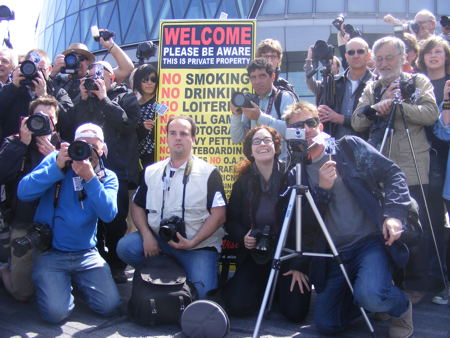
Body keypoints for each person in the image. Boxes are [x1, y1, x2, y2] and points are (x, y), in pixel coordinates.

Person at [284, 101, 413, 337]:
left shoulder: (347, 148)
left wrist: (393, 215)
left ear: (320, 125)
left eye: (310, 123)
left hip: (368, 243)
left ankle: (399, 306)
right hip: (334, 254)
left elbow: (393, 174)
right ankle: (372, 294)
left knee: (371, 296)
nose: (307, 129)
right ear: (291, 135)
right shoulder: (296, 173)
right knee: (327, 325)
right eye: (298, 127)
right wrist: (323, 190)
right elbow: (307, 228)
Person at [352, 36, 439, 298]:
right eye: (379, 59)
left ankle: (416, 285)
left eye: (389, 57)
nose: (384, 63)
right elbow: (357, 122)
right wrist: (376, 108)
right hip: (380, 169)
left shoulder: (418, 82)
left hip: (413, 165)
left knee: (416, 228)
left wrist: (400, 106)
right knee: (385, 227)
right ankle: (390, 281)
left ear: (403, 58)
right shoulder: (371, 87)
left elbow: (430, 113)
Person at [16, 123, 121, 323]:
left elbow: (109, 214)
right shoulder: (55, 161)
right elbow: (24, 192)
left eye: (93, 147)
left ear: (102, 150)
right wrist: (56, 168)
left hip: (86, 254)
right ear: (72, 145)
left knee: (110, 306)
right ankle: (61, 286)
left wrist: (90, 178)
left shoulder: (108, 177)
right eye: (82, 145)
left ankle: (72, 283)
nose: (87, 152)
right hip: (51, 253)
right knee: (56, 314)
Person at [117, 116, 226, 299]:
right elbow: (137, 206)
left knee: (203, 294)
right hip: (159, 243)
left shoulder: (209, 173)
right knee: (125, 247)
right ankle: (158, 269)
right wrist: (146, 236)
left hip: (196, 247)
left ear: (193, 139)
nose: (178, 138)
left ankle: (177, 271)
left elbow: (219, 215)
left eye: (184, 134)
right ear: (166, 137)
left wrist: (192, 242)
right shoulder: (151, 172)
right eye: (173, 133)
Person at [222, 125, 311, 322]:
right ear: (250, 150)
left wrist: (299, 264)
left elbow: (307, 223)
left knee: (295, 313)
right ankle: (264, 288)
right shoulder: (242, 183)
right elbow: (231, 219)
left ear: (276, 146)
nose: (262, 144)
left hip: (287, 255)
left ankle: (277, 289)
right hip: (256, 255)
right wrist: (243, 237)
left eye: (267, 140)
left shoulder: (292, 177)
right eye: (257, 141)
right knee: (237, 306)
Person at [73, 60, 140, 283]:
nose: (96, 80)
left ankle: (116, 265)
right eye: (91, 76)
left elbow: (129, 124)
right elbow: (73, 127)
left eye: (101, 75)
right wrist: (83, 99)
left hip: (117, 170)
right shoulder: (83, 100)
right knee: (89, 215)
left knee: (116, 220)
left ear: (112, 78)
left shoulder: (127, 97)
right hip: (85, 168)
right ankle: (96, 260)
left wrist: (104, 99)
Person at [0, 96, 61, 301]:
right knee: (23, 294)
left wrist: (55, 157)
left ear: (56, 121)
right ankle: (3, 267)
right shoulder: (14, 141)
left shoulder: (63, 147)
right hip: (23, 221)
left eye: (49, 117)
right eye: (38, 117)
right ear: (27, 119)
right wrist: (22, 143)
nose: (43, 122)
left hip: (55, 225)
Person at [417, 35, 450, 304]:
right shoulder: (417, 82)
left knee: (440, 221)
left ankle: (441, 278)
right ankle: (431, 276)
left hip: (445, 158)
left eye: (439, 51)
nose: (434, 56)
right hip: (422, 156)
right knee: (429, 220)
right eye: (429, 52)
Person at [0, 48, 73, 144]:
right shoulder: (10, 89)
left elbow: (69, 123)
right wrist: (13, 87)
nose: (36, 74)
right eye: (31, 69)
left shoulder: (58, 92)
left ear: (49, 69)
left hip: (46, 149)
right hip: (15, 148)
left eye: (40, 69)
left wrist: (44, 96)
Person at [230, 58, 297, 159]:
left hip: (281, 166)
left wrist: (260, 117)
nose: (257, 81)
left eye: (262, 76)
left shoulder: (284, 97)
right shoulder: (251, 101)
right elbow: (236, 139)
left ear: (273, 77)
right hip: (257, 166)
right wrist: (236, 115)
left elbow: (293, 132)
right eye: (253, 77)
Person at [316, 37, 374, 139]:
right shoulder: (332, 82)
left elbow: (375, 119)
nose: (355, 55)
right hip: (335, 148)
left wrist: (340, 118)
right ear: (346, 56)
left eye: (360, 51)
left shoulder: (376, 84)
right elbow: (321, 116)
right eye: (351, 52)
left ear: (368, 55)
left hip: (366, 147)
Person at [50, 38, 134, 104]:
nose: (76, 62)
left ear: (89, 62)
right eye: (71, 59)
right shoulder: (58, 80)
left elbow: (127, 68)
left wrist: (111, 45)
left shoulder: (97, 77)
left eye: (81, 58)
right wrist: (52, 73)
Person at [133, 64, 159, 169]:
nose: (149, 83)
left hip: (162, 155)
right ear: (139, 81)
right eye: (145, 80)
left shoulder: (164, 100)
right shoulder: (132, 105)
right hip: (141, 160)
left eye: (153, 79)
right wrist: (143, 128)